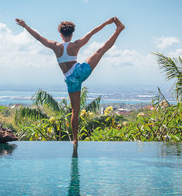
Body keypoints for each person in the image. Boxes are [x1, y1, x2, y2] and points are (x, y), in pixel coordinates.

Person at [15, 17, 125, 146]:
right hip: (80, 72)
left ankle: (75, 139)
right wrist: (106, 23)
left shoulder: (55, 46)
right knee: (100, 50)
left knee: (75, 110)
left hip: (70, 80)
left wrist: (25, 25)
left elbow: (39, 38)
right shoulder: (76, 44)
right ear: (72, 34)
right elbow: (93, 32)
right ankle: (119, 30)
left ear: (60, 34)